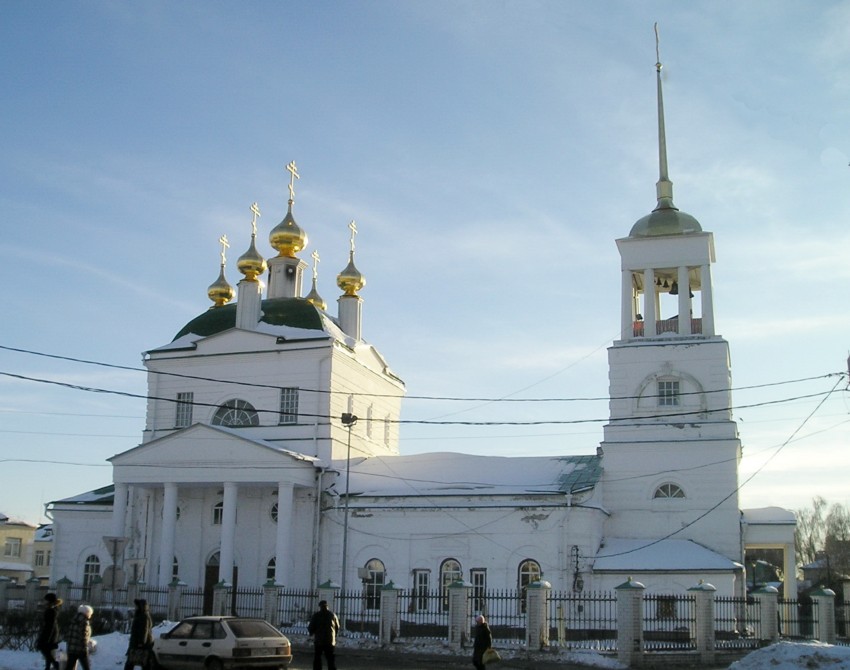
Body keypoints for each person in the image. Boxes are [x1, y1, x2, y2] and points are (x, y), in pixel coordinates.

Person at [307, 599, 340, 670]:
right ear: (327, 606)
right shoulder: (333, 615)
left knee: (317, 658)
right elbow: (337, 627)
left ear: (320, 607)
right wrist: (334, 636)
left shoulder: (316, 615)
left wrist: (311, 633)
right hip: (330, 641)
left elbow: (311, 627)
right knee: (330, 658)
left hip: (319, 641)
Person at [124, 599, 154, 670]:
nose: (135, 607)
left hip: (140, 644)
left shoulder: (144, 616)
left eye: (137, 606)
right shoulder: (141, 615)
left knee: (132, 663)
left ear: (141, 606)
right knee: (144, 663)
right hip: (138, 643)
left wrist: (141, 642)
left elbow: (144, 630)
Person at [36, 592, 62, 670]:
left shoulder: (51, 610)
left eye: (46, 600)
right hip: (50, 632)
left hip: (49, 633)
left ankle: (55, 664)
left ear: (49, 601)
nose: (44, 602)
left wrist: (47, 638)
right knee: (48, 650)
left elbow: (51, 624)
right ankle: (48, 667)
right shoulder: (52, 609)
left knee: (44, 648)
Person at [65, 604, 94, 670]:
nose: (90, 616)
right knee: (86, 667)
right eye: (90, 614)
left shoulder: (74, 620)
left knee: (69, 667)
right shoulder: (84, 622)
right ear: (87, 613)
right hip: (80, 649)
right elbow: (83, 636)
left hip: (71, 648)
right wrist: (85, 648)